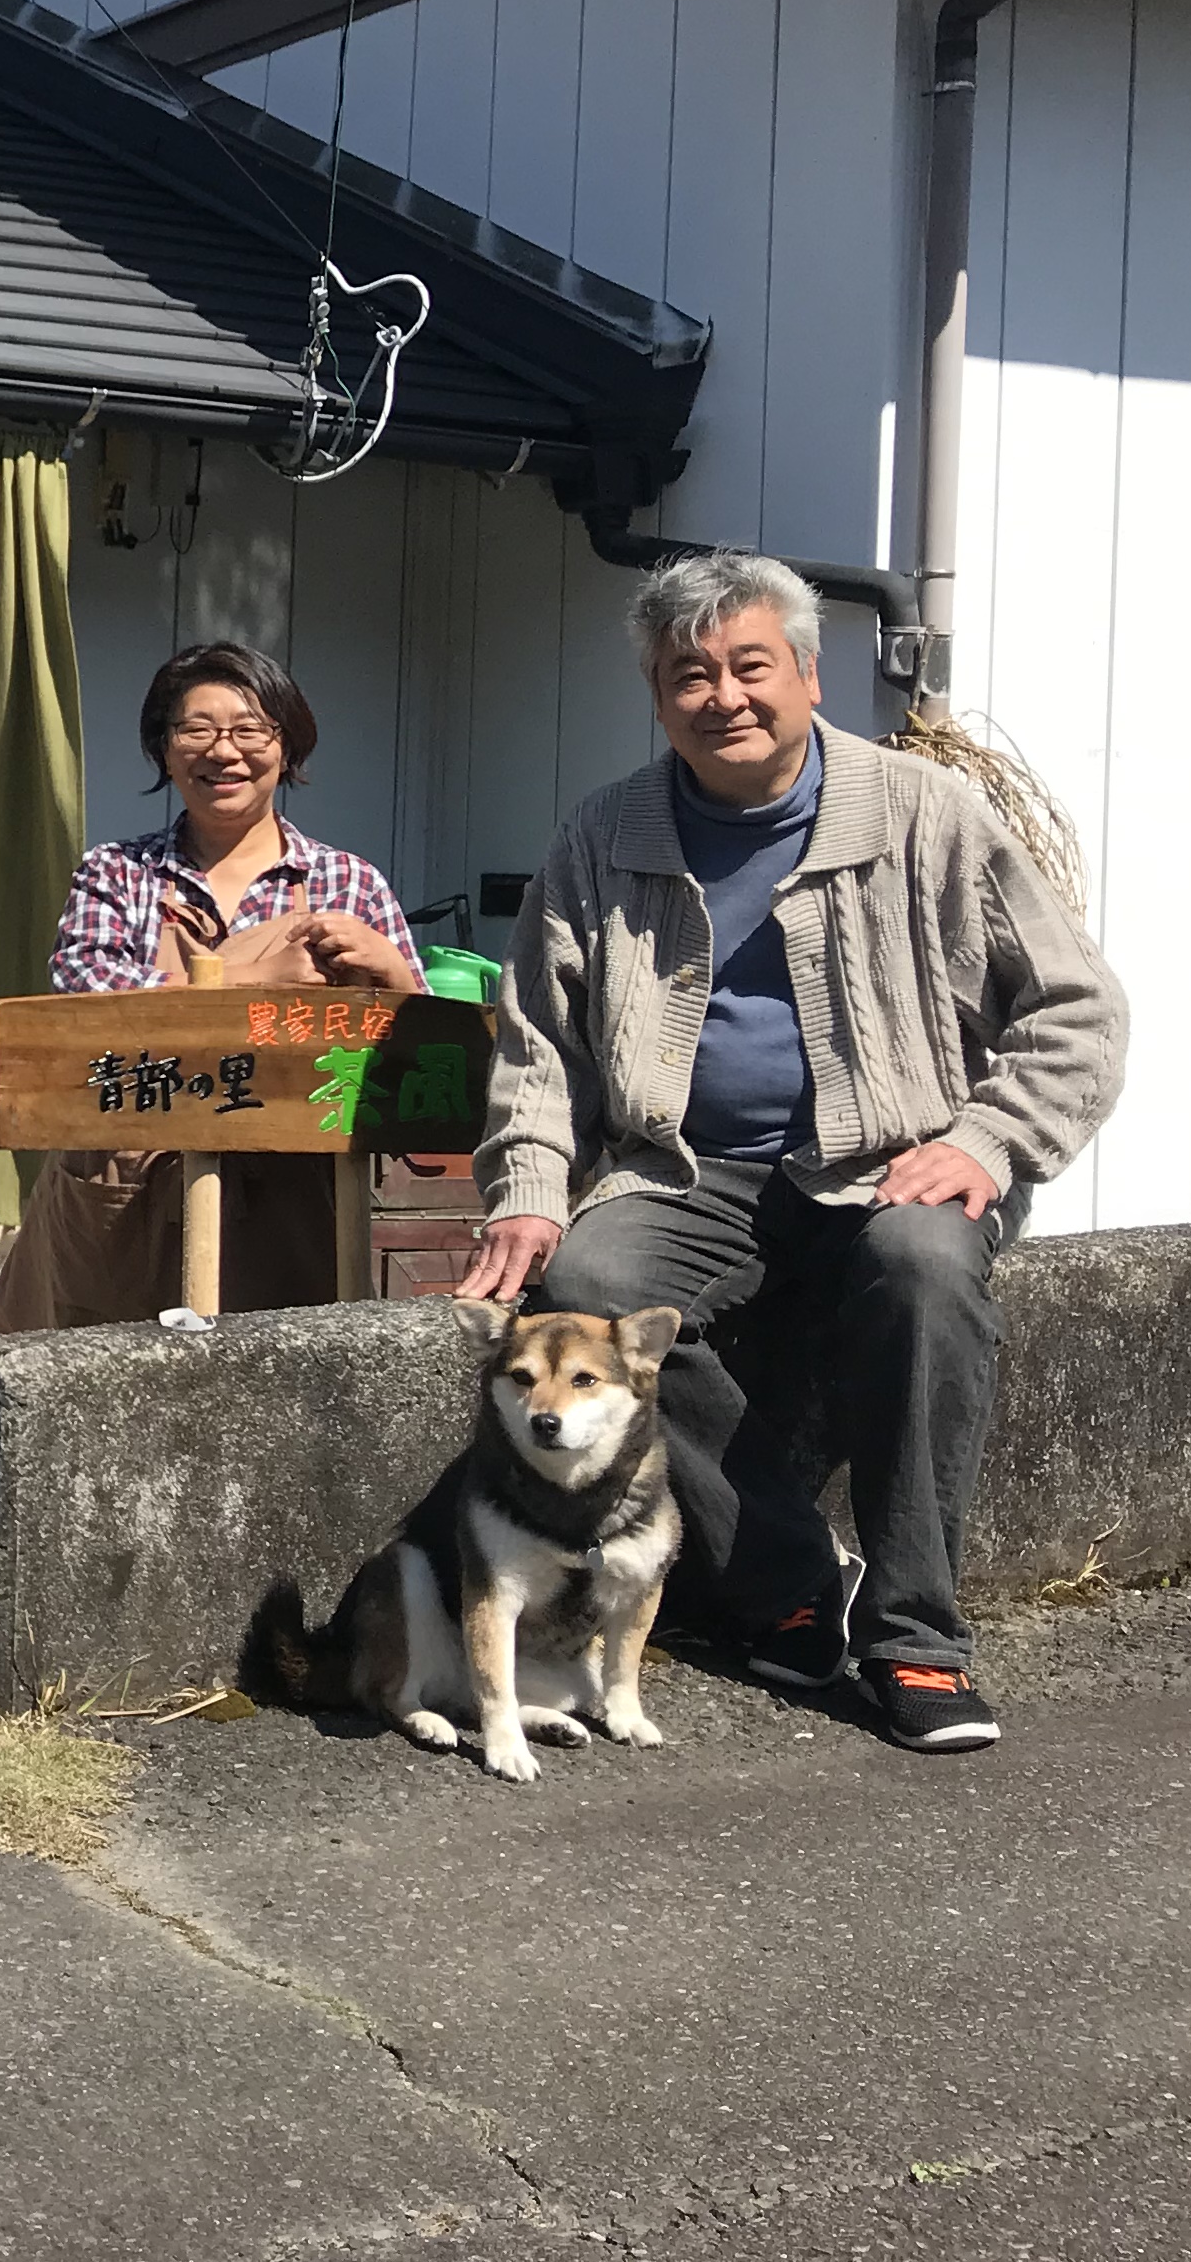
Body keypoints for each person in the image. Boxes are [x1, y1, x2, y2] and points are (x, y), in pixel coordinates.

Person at [458, 551, 1126, 1756]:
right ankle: (790, 1577)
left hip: (895, 1160)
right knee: (595, 1289)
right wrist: (530, 1190)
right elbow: (539, 1046)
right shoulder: (606, 835)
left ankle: (917, 1637)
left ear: (810, 676)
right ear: (660, 700)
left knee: (925, 1272)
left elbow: (1078, 1011)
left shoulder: (926, 813)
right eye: (689, 676)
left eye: (750, 666)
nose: (725, 696)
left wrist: (988, 1139)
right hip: (685, 1169)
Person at [8, 640, 422, 1327]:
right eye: (195, 729)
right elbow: (85, 1000)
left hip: (297, 1191)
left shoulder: (350, 884)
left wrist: (397, 976)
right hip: (127, 1190)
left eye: (249, 729)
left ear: (286, 748)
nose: (222, 751)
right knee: (113, 1392)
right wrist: (260, 977)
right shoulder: (115, 873)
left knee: (281, 1399)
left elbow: (415, 1063)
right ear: (163, 751)